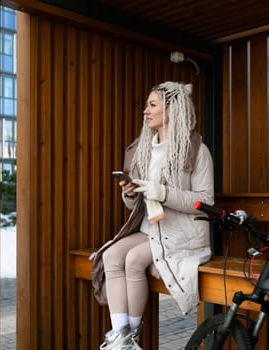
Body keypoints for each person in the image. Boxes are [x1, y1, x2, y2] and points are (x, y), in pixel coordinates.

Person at [91, 81, 215, 349]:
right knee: (110, 255)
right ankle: (120, 337)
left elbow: (205, 201)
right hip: (150, 229)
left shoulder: (197, 150)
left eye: (153, 105)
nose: (146, 111)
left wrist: (163, 192)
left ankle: (131, 336)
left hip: (180, 232)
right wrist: (130, 193)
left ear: (172, 109)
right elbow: (134, 207)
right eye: (147, 105)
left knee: (134, 259)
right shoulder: (143, 149)